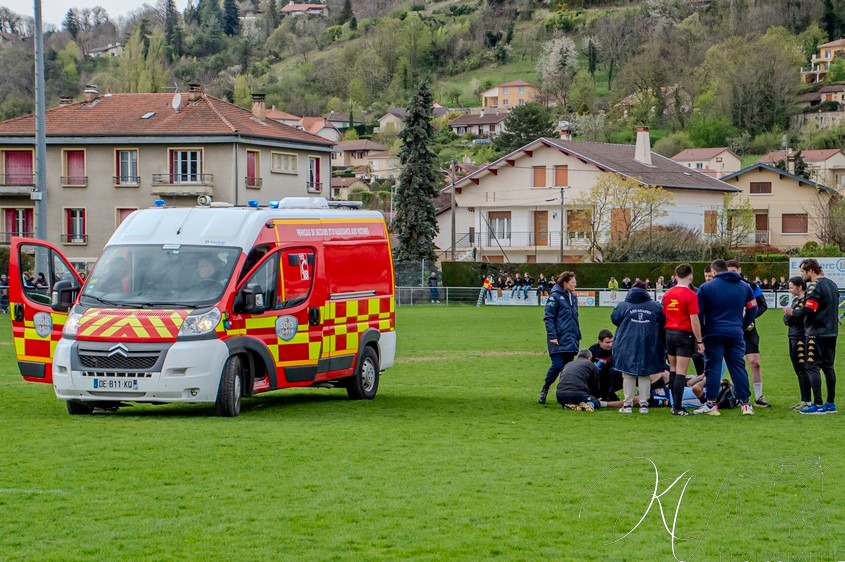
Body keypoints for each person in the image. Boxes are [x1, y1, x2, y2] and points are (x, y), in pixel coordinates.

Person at [695, 259, 757, 416]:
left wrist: (701, 332)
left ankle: (711, 404)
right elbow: (753, 309)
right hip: (735, 332)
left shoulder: (706, 287)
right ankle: (745, 404)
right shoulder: (744, 286)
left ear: (714, 272)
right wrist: (741, 325)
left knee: (713, 367)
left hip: (713, 332)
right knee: (738, 367)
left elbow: (699, 313)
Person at [784, 258, 838, 414]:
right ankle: (830, 403)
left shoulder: (815, 285)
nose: (802, 275)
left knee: (811, 366)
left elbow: (810, 307)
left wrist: (793, 312)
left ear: (810, 270)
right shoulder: (832, 284)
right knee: (828, 367)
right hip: (831, 332)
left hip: (816, 332)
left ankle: (818, 404)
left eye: (802, 271)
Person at [611, 280, 666, 414]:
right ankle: (644, 405)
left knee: (627, 373)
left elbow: (614, 319)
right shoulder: (656, 307)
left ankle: (628, 404)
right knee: (645, 374)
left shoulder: (623, 305)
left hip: (626, 343)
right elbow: (663, 322)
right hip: (649, 343)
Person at [726, 260, 770, 407]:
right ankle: (736, 395)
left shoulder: (751, 286)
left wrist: (749, 316)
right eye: (729, 271)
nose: (732, 274)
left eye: (734, 271)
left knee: (754, 362)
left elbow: (763, 305)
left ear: (739, 270)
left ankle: (759, 396)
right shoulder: (723, 286)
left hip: (749, 330)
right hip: (732, 330)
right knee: (735, 364)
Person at [662, 263, 704, 416]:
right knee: (681, 372)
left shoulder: (668, 293)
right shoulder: (691, 295)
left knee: (673, 370)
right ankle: (678, 407)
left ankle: (674, 403)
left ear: (675, 276)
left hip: (669, 333)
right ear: (690, 276)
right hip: (683, 334)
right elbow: (694, 320)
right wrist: (699, 341)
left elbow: (665, 314)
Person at [539, 271, 581, 405]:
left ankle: (564, 395)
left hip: (571, 338)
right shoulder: (555, 297)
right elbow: (548, 317)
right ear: (565, 283)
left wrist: (577, 335)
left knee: (568, 369)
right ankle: (545, 388)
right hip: (558, 338)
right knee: (557, 365)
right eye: (573, 282)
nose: (575, 285)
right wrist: (552, 336)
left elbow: (575, 318)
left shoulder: (573, 298)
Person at [556, 349, 626, 411]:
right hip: (577, 394)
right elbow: (595, 385)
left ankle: (570, 405)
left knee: (574, 398)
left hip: (560, 395)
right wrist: (595, 397)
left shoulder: (568, 364)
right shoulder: (591, 365)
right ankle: (589, 405)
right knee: (595, 402)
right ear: (590, 357)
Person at [783, 276, 810, 410]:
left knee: (802, 369)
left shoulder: (805, 301)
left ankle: (807, 400)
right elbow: (787, 320)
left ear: (800, 287)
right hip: (793, 336)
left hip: (800, 337)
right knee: (798, 369)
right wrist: (790, 315)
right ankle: (803, 399)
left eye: (792, 287)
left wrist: (791, 314)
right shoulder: (795, 300)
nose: (790, 290)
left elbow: (795, 318)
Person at [588, 329, 621, 401]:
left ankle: (610, 393)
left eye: (612, 341)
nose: (610, 344)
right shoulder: (593, 349)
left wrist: (607, 363)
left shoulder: (616, 349)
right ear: (600, 342)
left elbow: (620, 363)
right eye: (607, 342)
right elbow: (587, 364)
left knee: (613, 372)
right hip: (599, 374)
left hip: (614, 374)